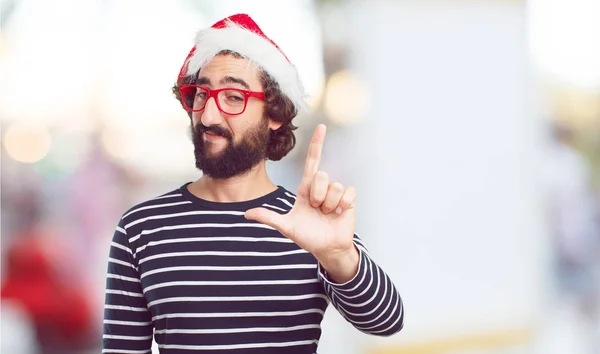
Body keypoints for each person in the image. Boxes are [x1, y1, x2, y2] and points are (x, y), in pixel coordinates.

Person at [102, 13, 404, 354]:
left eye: (233, 97)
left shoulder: (309, 223)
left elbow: (387, 322)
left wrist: (338, 256)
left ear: (274, 114)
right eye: (201, 94)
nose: (209, 116)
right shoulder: (140, 229)